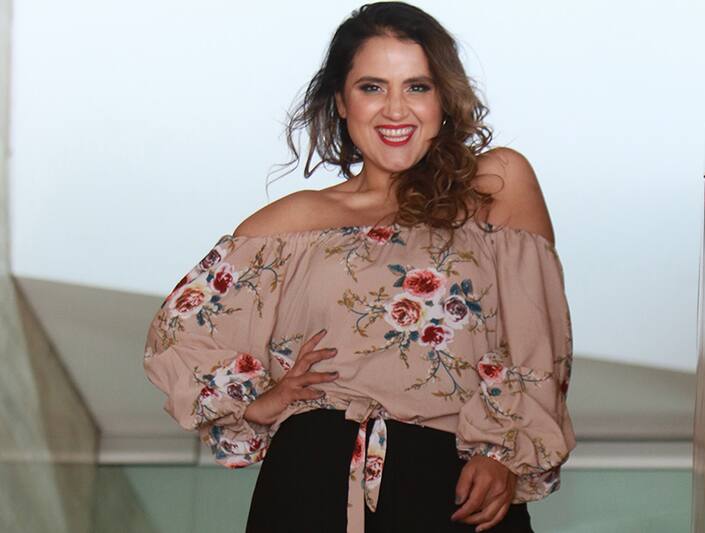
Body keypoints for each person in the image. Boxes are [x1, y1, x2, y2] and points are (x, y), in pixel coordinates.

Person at [142, 2, 575, 532]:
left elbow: (537, 340)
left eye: (417, 87)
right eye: (372, 87)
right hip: (309, 484)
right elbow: (177, 333)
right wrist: (257, 401)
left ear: (443, 99)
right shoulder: (296, 220)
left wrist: (504, 451)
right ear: (342, 102)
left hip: (456, 485)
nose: (395, 109)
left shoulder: (496, 184)